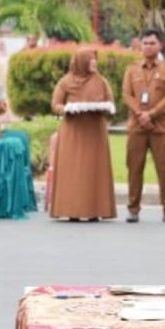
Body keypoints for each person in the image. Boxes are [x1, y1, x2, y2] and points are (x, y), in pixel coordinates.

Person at [48, 48, 116, 221]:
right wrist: (68, 109)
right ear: (81, 61)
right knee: (73, 171)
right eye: (90, 59)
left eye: (95, 60)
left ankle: (95, 210)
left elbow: (111, 103)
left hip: (95, 132)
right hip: (73, 132)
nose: (94, 63)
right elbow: (56, 105)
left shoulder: (101, 81)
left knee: (95, 170)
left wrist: (106, 107)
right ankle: (72, 210)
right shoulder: (65, 82)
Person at [121, 28, 165, 223]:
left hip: (160, 127)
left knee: (164, 169)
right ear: (140, 45)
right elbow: (127, 95)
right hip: (136, 127)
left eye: (152, 43)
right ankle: (133, 209)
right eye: (145, 43)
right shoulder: (132, 68)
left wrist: (152, 114)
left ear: (160, 45)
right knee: (134, 168)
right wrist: (140, 114)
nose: (148, 47)